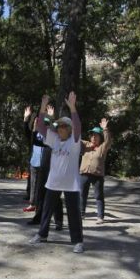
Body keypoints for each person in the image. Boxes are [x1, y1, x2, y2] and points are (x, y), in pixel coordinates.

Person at [29, 92, 84, 252]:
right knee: (46, 210)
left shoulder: (74, 141)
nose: (59, 128)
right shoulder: (54, 139)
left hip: (71, 183)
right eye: (58, 126)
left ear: (68, 129)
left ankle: (78, 241)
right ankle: (42, 234)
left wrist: (72, 108)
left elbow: (78, 126)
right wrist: (42, 107)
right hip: (54, 181)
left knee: (74, 214)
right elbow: (40, 126)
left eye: (63, 126)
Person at [27, 96, 63, 229]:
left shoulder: (57, 132)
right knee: (40, 193)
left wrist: (52, 118)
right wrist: (42, 107)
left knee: (55, 195)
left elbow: (57, 126)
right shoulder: (41, 135)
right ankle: (39, 217)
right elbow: (38, 125)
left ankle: (58, 221)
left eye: (49, 124)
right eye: (45, 124)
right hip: (44, 165)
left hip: (55, 166)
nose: (46, 126)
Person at [80, 118, 113, 224]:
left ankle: (100, 216)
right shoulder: (85, 145)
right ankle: (81, 213)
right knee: (81, 194)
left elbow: (108, 141)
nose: (93, 137)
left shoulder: (103, 147)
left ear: (100, 137)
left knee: (99, 196)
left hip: (97, 175)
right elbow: (75, 138)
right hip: (84, 173)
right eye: (92, 135)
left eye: (96, 135)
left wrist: (105, 129)